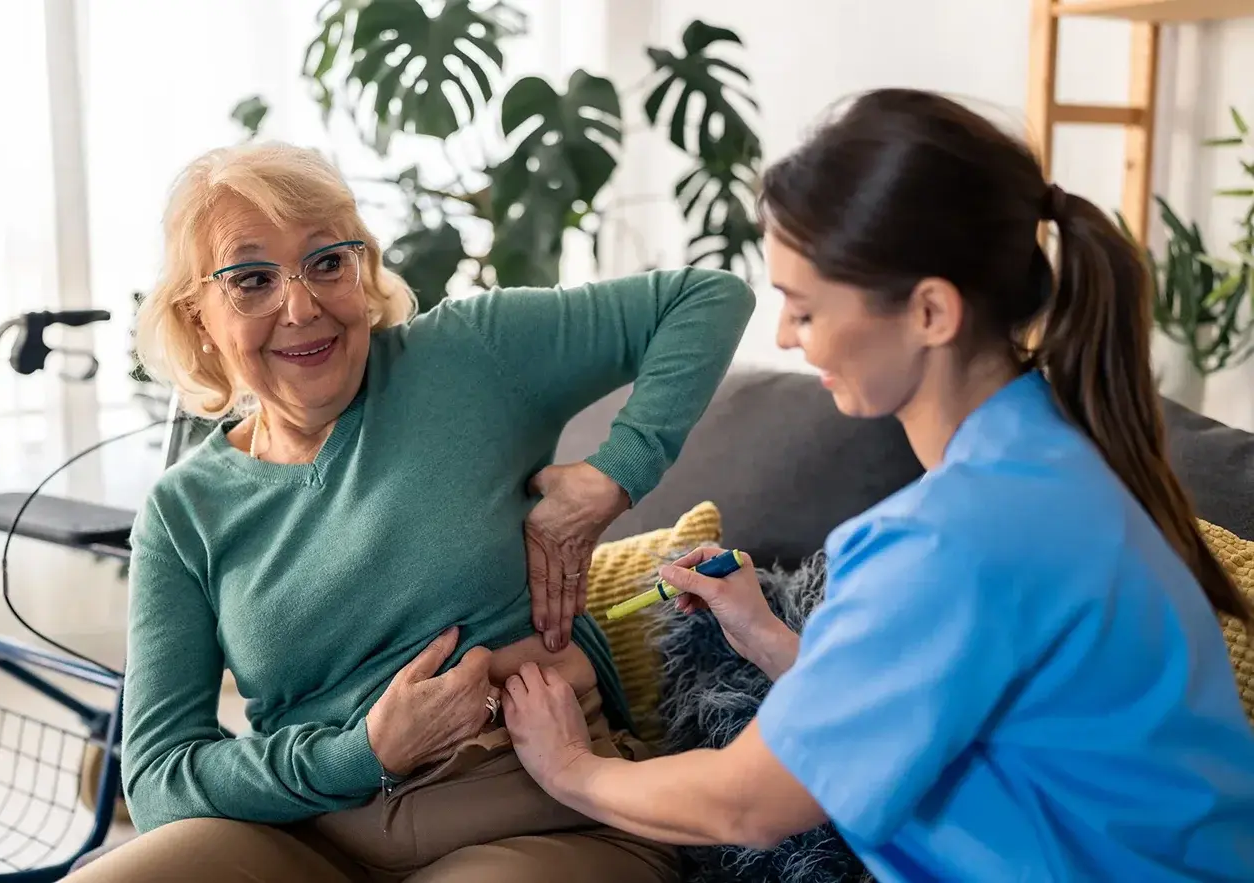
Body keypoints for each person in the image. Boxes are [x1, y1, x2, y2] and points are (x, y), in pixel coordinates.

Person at [501, 87, 1254, 882]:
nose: (787, 338)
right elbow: (938, 702)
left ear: (930, 310)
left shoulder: (951, 536)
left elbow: (746, 804)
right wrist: (770, 640)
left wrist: (569, 769)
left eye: (803, 306)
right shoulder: (1063, 463)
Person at [65, 141, 753, 883]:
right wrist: (363, 752)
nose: (301, 306)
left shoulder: (465, 356)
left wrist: (613, 475)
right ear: (198, 315)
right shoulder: (182, 511)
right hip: (308, 835)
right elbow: (161, 779)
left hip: (538, 812)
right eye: (253, 279)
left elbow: (705, 298)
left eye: (328, 261)